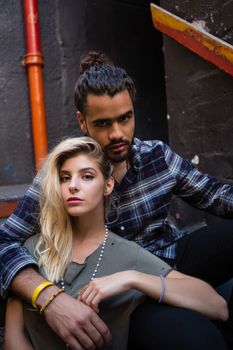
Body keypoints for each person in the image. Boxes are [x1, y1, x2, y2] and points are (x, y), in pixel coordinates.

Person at [0, 51, 233, 348]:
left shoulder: (156, 156)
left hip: (170, 261)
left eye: (125, 118)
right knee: (193, 336)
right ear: (82, 122)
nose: (117, 134)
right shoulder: (64, 175)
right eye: (102, 124)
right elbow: (3, 242)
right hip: (117, 293)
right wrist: (47, 295)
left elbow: (217, 195)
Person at [4, 136, 228, 350]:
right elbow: (14, 339)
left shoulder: (128, 255)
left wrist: (132, 278)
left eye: (87, 176)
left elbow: (217, 307)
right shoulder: (32, 249)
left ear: (108, 185)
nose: (72, 185)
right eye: (64, 177)